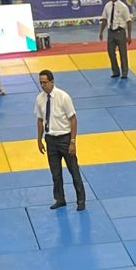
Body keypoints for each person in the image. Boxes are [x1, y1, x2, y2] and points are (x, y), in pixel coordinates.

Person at [35, 69, 85, 212]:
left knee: (74, 171)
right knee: (55, 173)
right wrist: (39, 139)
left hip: (65, 138)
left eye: (45, 82)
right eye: (41, 83)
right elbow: (40, 120)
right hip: (50, 139)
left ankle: (81, 200)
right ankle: (60, 199)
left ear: (52, 82)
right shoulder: (40, 99)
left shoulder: (63, 97)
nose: (43, 85)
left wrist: (73, 141)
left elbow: (73, 119)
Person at [100, 0, 132, 80]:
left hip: (120, 31)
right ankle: (115, 71)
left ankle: (124, 72)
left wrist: (129, 36)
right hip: (110, 32)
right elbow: (104, 19)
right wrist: (101, 32)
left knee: (123, 53)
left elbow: (129, 21)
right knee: (111, 52)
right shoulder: (107, 6)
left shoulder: (123, 7)